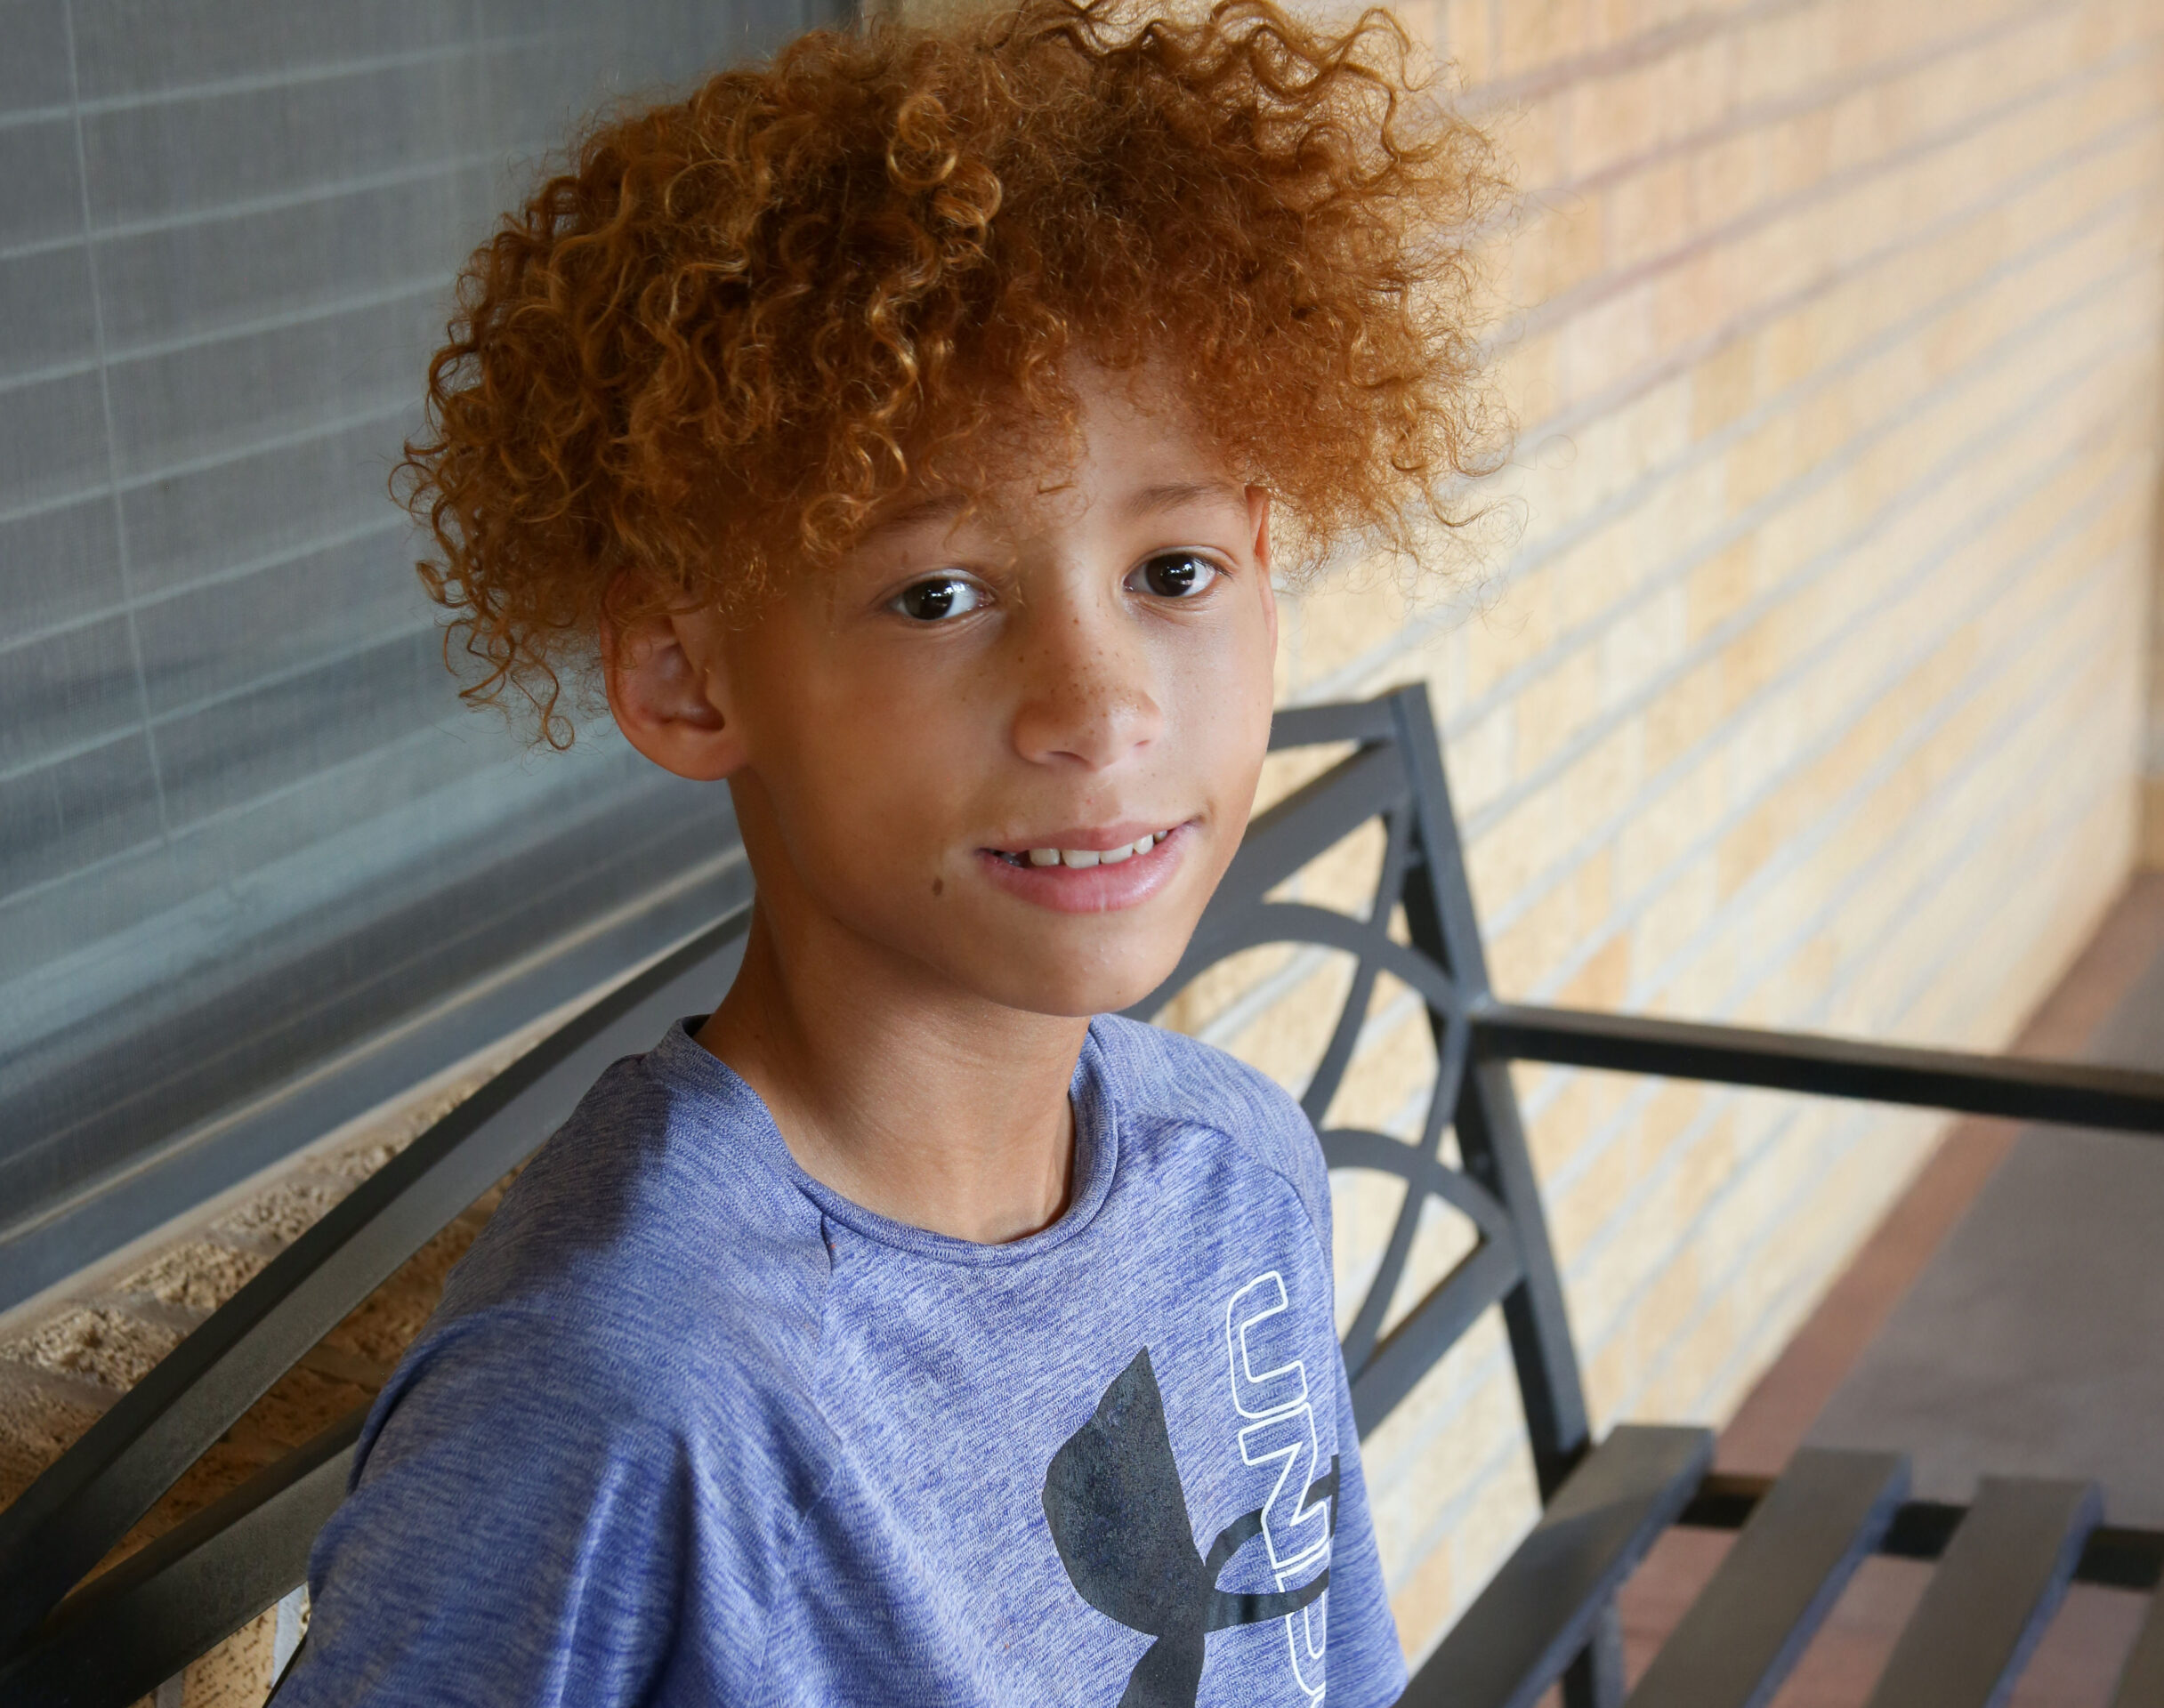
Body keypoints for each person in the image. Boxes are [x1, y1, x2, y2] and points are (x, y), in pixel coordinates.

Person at [273, 3, 1494, 1703]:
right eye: (938, 596)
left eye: (1176, 572)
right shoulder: (637, 1391)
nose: (1097, 708)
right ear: (687, 674)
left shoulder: (1235, 1170)